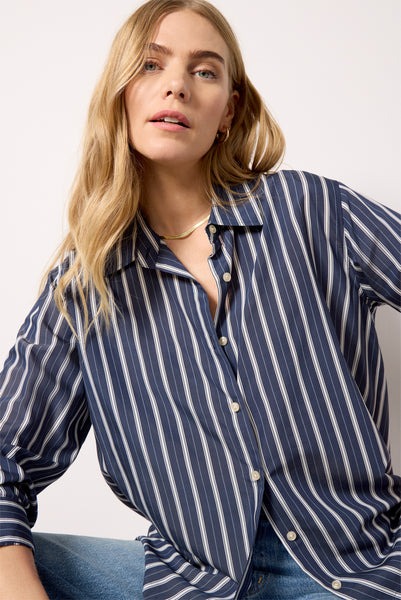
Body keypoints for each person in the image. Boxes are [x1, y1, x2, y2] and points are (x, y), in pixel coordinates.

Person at [0, 0, 400, 598]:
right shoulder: (84, 287)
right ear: (120, 93)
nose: (177, 87)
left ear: (228, 111)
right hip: (192, 580)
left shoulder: (310, 210)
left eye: (204, 71)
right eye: (151, 65)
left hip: (356, 570)